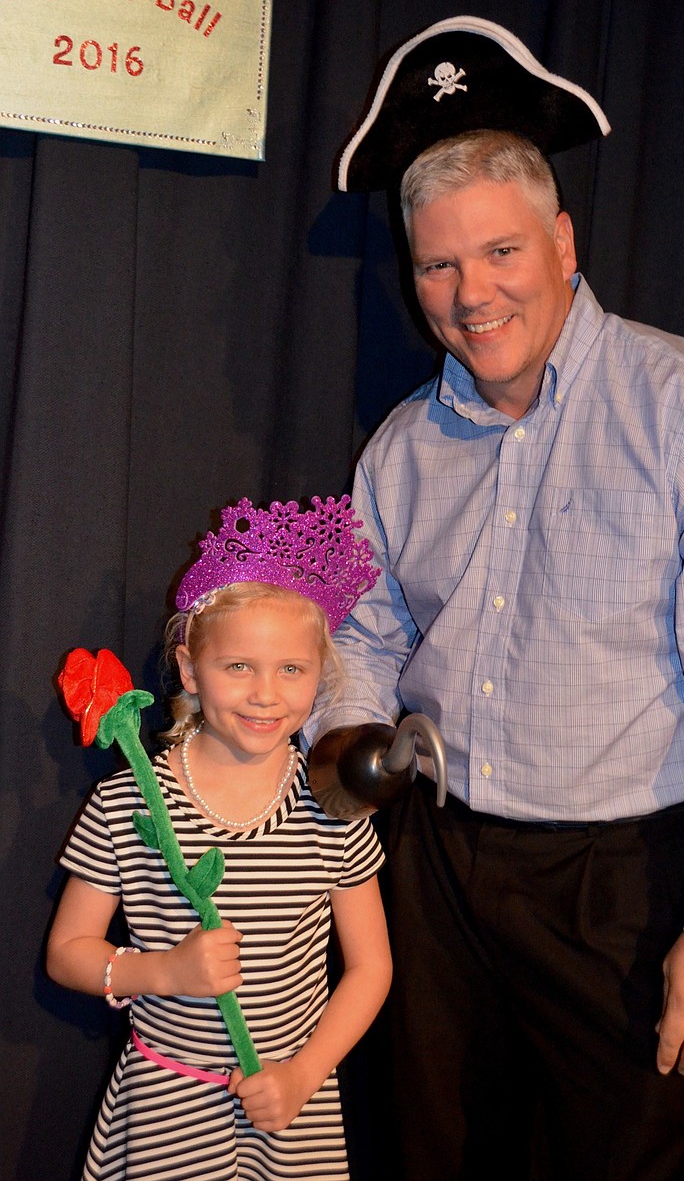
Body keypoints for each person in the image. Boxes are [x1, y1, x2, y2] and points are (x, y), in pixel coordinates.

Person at [306, 18, 684, 1179]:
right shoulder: (401, 447)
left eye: (500, 250)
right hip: (438, 868)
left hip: (622, 890)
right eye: (438, 265)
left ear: (561, 241)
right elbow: (370, 630)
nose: (470, 293)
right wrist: (341, 738)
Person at [47, 495, 392, 1181]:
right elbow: (67, 953)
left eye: (291, 669)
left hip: (290, 1110)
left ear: (320, 673)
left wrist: (303, 1075)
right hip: (165, 1109)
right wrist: (162, 972)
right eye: (238, 666)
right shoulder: (126, 801)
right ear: (188, 669)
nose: (266, 693)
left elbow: (371, 968)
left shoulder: (333, 805)